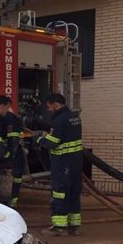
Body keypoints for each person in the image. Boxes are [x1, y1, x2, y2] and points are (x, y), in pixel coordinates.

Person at [36, 93, 83, 236]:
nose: (49, 110)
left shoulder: (60, 120)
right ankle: (74, 226)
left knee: (59, 192)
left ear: (55, 104)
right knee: (73, 192)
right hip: (75, 162)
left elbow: (53, 143)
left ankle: (58, 227)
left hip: (63, 163)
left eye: (49, 107)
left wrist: (39, 140)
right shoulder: (75, 117)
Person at [2, 109, 25, 208]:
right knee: (17, 177)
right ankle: (13, 200)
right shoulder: (16, 119)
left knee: (5, 175)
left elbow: (13, 139)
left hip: (8, 153)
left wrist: (8, 156)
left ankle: (5, 200)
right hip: (17, 153)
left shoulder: (6, 119)